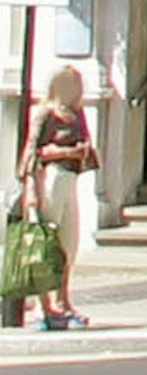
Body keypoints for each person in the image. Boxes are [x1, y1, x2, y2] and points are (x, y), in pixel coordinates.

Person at [17, 62, 93, 331]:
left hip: (70, 180)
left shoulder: (76, 113)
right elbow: (33, 152)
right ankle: (43, 305)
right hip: (49, 178)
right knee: (45, 244)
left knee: (68, 243)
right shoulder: (44, 113)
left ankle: (63, 300)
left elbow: (85, 145)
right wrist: (30, 192)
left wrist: (82, 151)